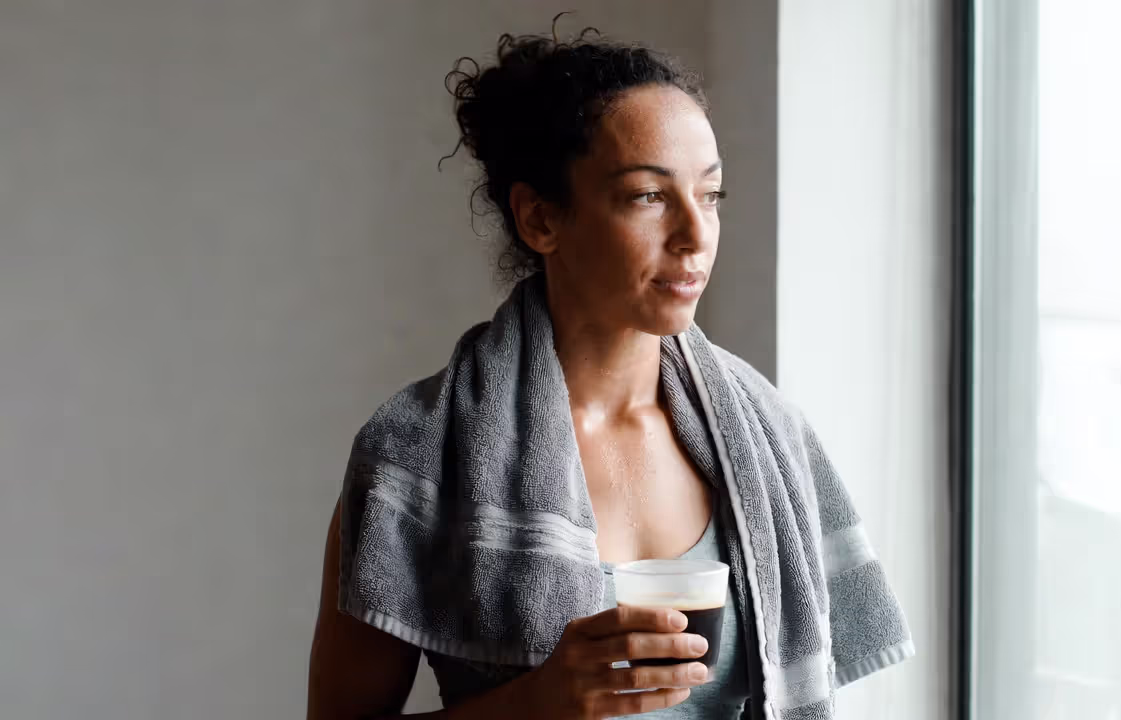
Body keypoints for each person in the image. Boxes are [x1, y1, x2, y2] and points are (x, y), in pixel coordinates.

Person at [308, 22, 911, 720]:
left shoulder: (769, 434)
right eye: (647, 196)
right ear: (540, 219)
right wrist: (537, 704)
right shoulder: (415, 453)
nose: (694, 234)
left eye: (711, 195)